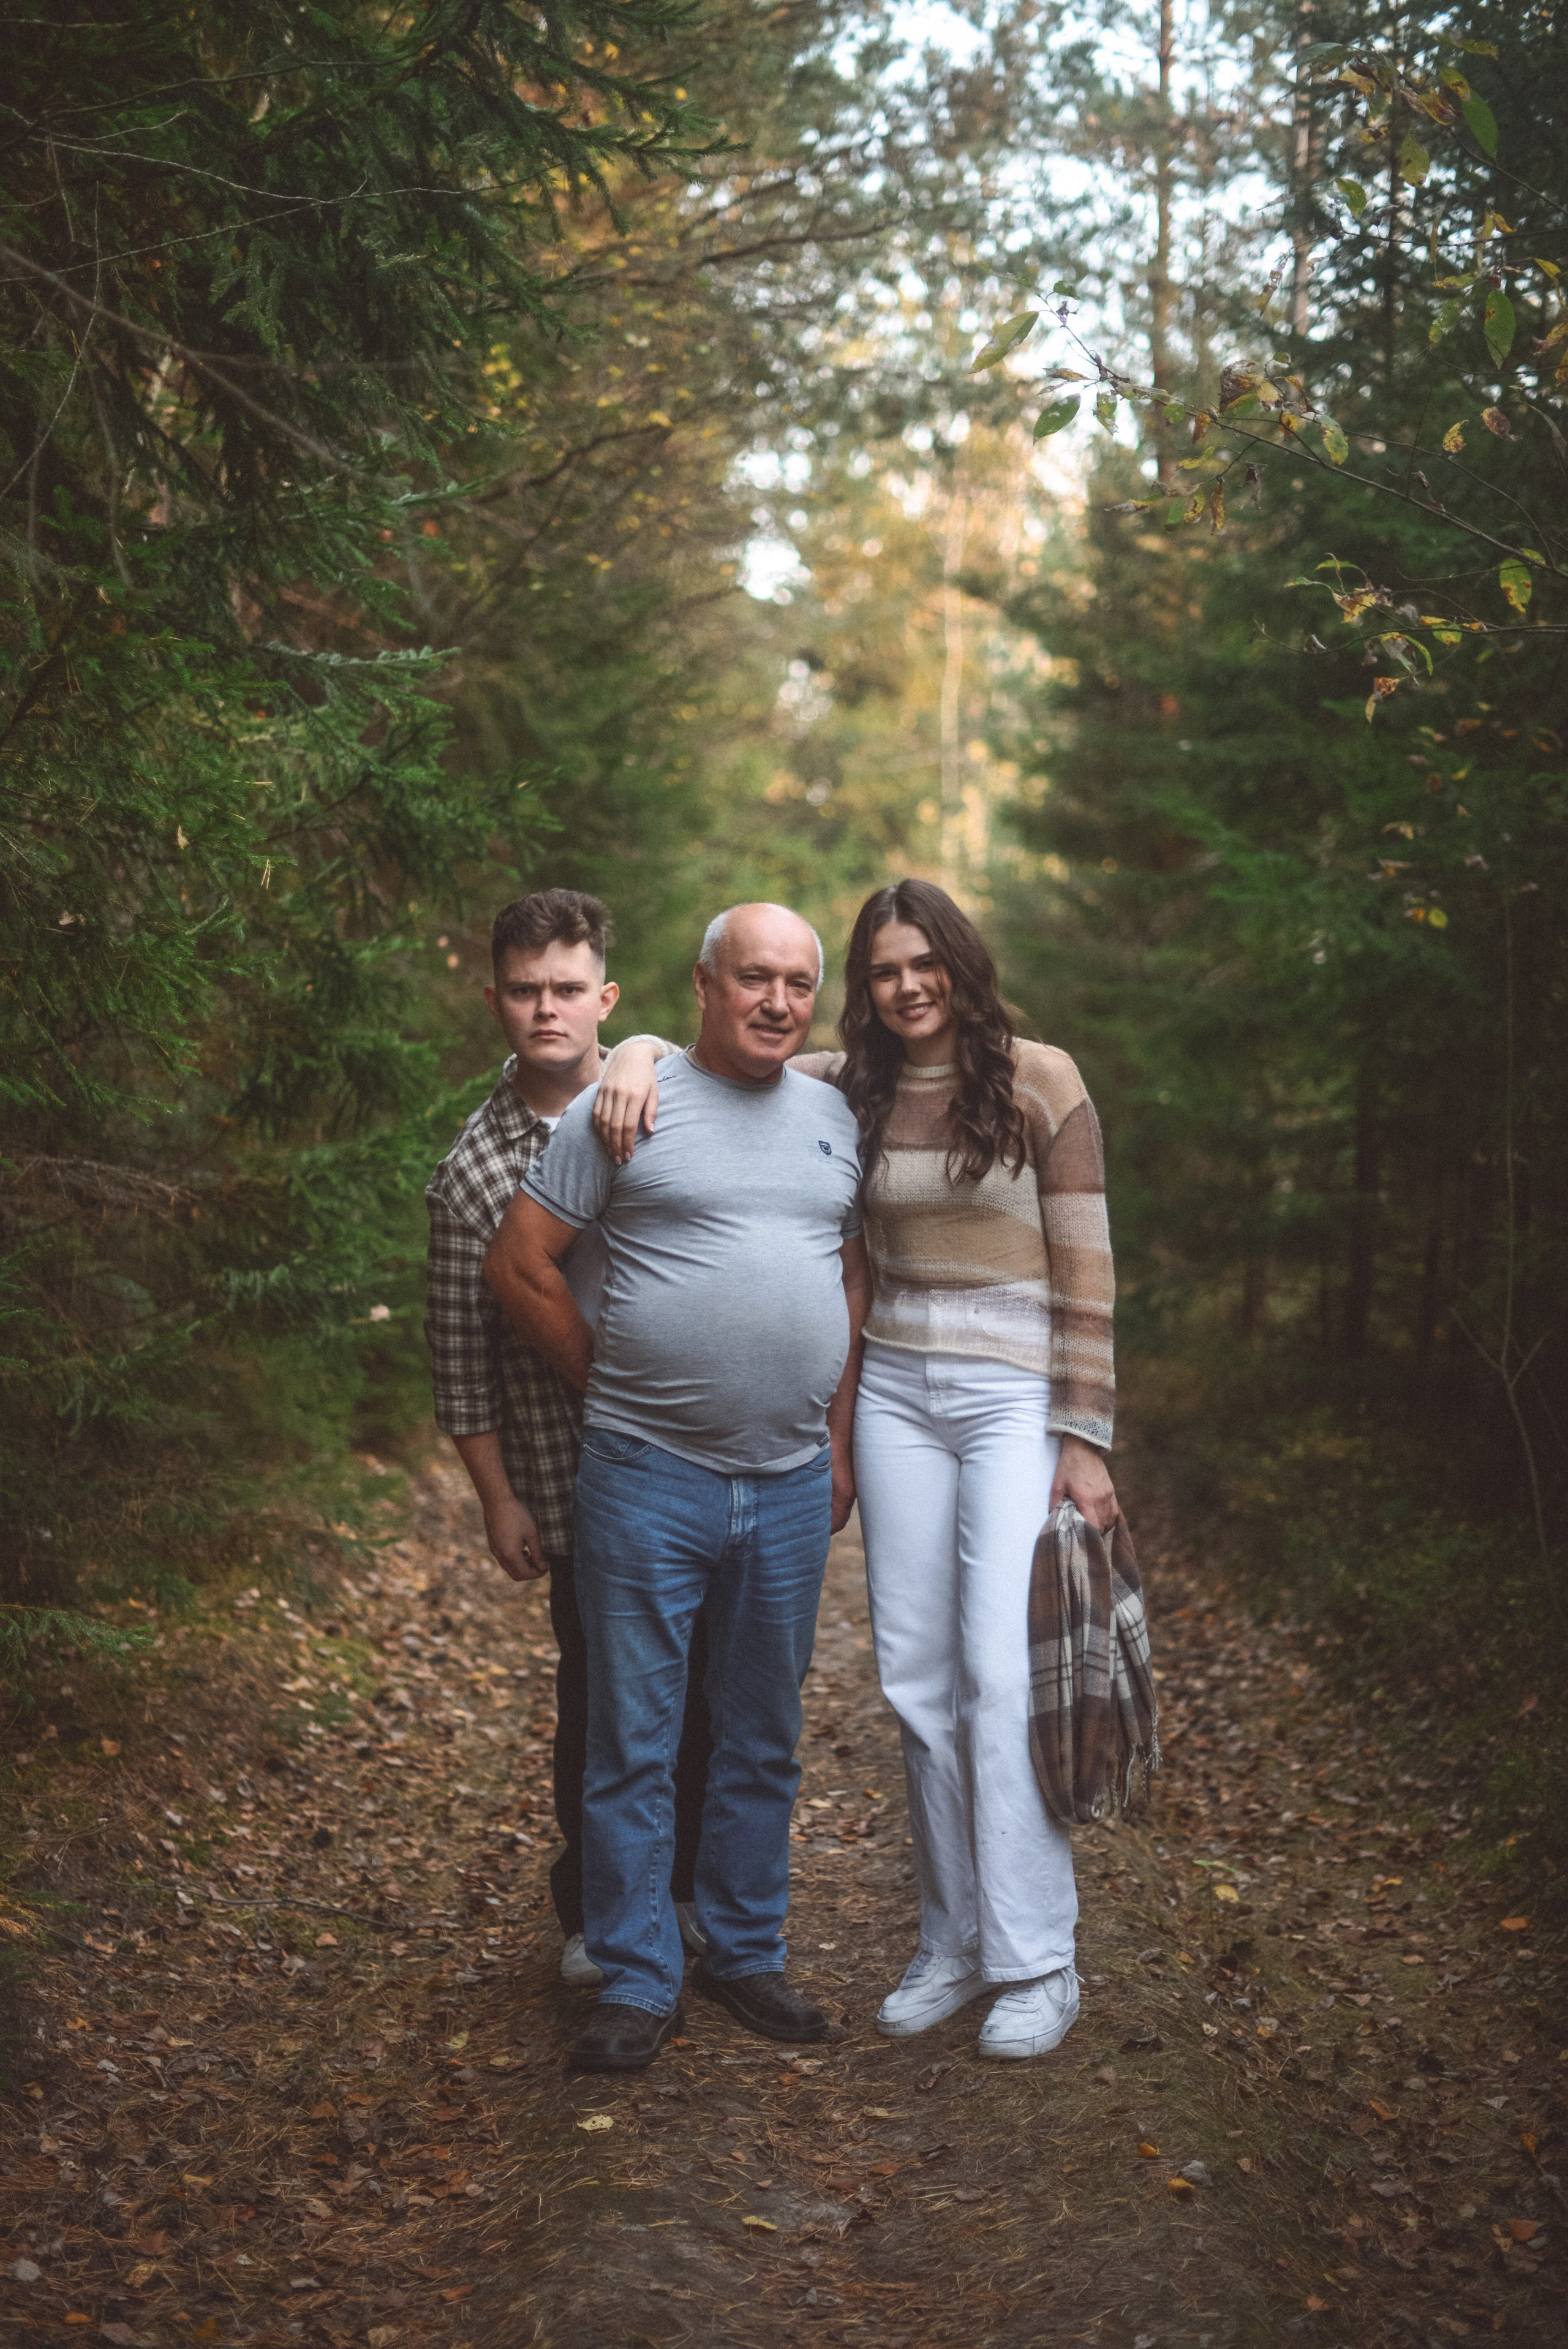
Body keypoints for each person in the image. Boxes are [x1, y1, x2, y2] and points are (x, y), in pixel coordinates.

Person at [594, 878, 1117, 2062]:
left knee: (994, 1673)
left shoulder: (1044, 1080)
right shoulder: (851, 1087)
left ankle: (1040, 1959)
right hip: (893, 1398)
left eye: (923, 962)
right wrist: (630, 1044)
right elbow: (727, 1047)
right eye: (883, 971)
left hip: (1008, 1401)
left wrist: (1086, 1438)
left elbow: (1088, 1268)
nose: (906, 986)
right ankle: (953, 1943)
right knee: (915, 1681)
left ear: (960, 964)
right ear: (866, 991)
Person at [481, 903, 871, 2073]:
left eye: (799, 984)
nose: (778, 1003)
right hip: (647, 1480)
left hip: (792, 1483)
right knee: (633, 1741)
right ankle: (639, 1975)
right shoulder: (631, 1101)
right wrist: (613, 1387)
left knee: (762, 1737)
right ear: (703, 985)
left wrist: (839, 1440)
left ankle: (747, 1951)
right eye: (754, 978)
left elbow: (848, 1278)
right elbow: (521, 1262)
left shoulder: (836, 1116)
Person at [423, 887, 712, 1993]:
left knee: (705, 1696)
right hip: (576, 1474)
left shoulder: (674, 1102)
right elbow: (458, 1357)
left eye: (567, 989)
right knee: (600, 1695)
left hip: (701, 1455)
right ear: (496, 999)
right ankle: (597, 1909)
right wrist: (498, 1498)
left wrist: (644, 1051)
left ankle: (683, 1893)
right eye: (525, 991)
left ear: (606, 996)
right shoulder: (471, 1175)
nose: (547, 1010)